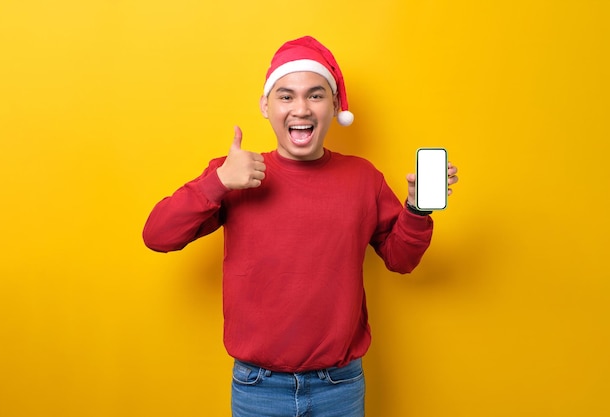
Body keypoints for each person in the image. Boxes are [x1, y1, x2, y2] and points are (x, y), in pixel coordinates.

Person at [143, 36, 459, 417]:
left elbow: (401, 259)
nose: (301, 108)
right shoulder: (235, 174)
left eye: (315, 95)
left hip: (339, 387)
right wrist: (219, 181)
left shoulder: (363, 178)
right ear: (266, 105)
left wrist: (418, 208)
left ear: (335, 106)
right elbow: (158, 236)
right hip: (257, 387)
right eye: (286, 96)